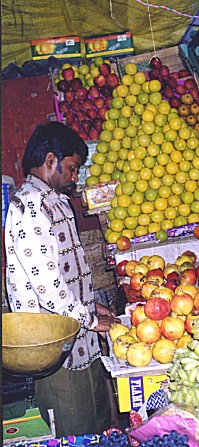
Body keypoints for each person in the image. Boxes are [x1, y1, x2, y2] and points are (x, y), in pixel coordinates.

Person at [5, 122, 120, 437]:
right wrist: (92, 319)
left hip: (79, 337)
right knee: (76, 430)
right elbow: (48, 288)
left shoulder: (55, 200)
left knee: (99, 424)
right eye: (71, 168)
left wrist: (91, 304)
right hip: (57, 348)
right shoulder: (30, 205)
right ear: (50, 160)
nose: (74, 177)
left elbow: (64, 270)